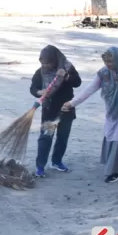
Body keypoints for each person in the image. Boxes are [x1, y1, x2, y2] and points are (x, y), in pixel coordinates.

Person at [62, 46, 118, 183]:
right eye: (106, 62)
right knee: (110, 136)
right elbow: (89, 90)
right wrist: (72, 103)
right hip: (111, 111)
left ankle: (113, 172)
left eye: (111, 62)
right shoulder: (103, 73)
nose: (108, 65)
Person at [29, 45, 82, 177]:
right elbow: (33, 88)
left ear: (55, 59)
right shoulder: (40, 72)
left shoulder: (67, 67)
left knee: (62, 137)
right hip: (49, 110)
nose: (45, 66)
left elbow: (77, 82)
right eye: (43, 63)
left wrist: (66, 76)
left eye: (48, 63)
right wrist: (40, 92)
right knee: (46, 138)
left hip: (66, 108)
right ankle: (40, 166)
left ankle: (57, 161)